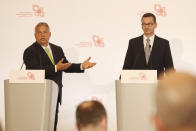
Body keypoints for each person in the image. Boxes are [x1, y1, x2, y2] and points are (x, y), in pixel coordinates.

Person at [23, 22, 96, 131]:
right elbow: (33, 73)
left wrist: (81, 66)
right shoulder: (30, 51)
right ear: (35, 35)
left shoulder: (57, 49)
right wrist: (55, 68)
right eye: (39, 32)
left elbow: (65, 66)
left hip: (55, 95)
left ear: (50, 34)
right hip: (38, 96)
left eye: (45, 32)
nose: (42, 35)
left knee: (52, 126)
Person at [122, 13, 174, 78]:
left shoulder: (163, 43)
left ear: (155, 25)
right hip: (137, 83)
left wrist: (172, 84)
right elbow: (127, 66)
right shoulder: (133, 42)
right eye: (144, 24)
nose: (146, 27)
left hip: (157, 84)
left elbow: (169, 68)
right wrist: (121, 82)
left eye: (149, 24)